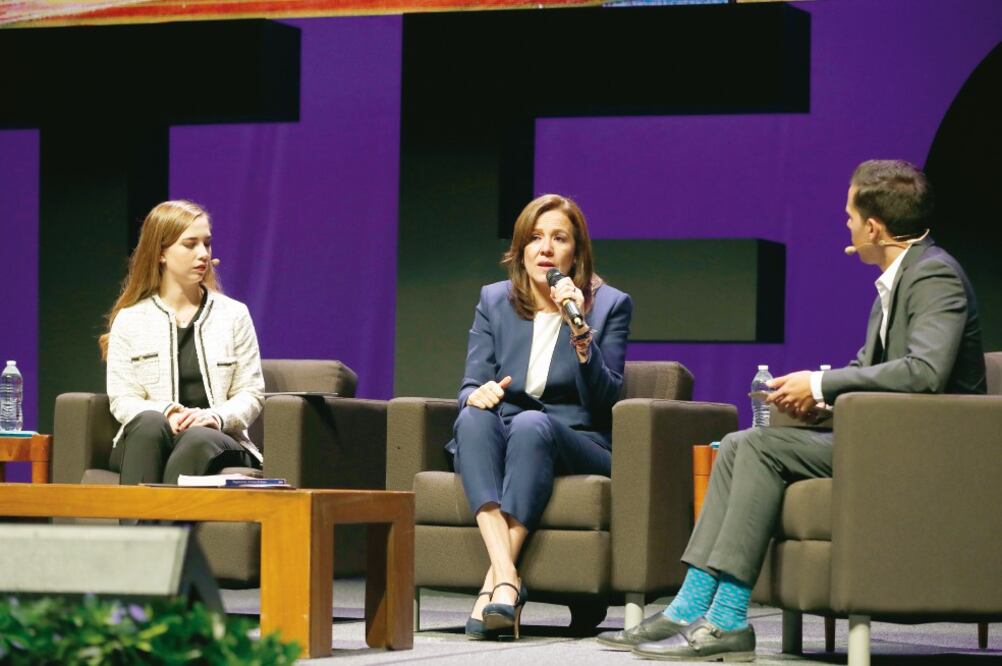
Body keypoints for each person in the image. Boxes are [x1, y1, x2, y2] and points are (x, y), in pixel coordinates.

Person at [597, 160, 986, 661]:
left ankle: (727, 620)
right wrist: (813, 399)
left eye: (850, 216)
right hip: (884, 437)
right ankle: (688, 605)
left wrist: (821, 382)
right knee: (738, 444)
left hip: (931, 451)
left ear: (873, 228)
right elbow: (869, 371)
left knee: (759, 448)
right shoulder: (895, 282)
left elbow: (925, 372)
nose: (846, 223)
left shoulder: (934, 275)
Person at [449, 194, 633, 640]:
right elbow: (469, 384)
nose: (545, 248)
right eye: (534, 238)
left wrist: (580, 332)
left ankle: (493, 586)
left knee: (532, 424)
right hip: (508, 429)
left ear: (576, 252)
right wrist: (479, 393)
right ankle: (505, 579)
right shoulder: (494, 300)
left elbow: (605, 400)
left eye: (559, 238)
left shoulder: (609, 305)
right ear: (521, 248)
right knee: (471, 418)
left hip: (578, 438)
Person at [100, 200, 265, 485]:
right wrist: (168, 413)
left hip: (214, 437)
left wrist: (215, 417)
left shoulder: (233, 315)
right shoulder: (130, 319)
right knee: (150, 423)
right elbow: (122, 399)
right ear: (161, 253)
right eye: (190, 245)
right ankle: (151, 516)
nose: (203, 254)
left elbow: (251, 394)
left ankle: (148, 517)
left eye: (207, 244)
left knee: (196, 438)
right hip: (149, 434)